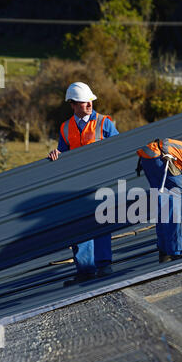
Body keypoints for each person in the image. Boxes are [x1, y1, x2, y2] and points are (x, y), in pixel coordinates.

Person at [48, 82, 119, 285]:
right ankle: (85, 269)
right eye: (83, 102)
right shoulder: (65, 127)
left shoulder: (105, 123)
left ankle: (104, 264)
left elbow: (118, 149)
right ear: (72, 104)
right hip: (78, 185)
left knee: (102, 222)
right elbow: (64, 153)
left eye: (90, 101)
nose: (88, 105)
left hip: (101, 182)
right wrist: (56, 154)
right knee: (80, 226)